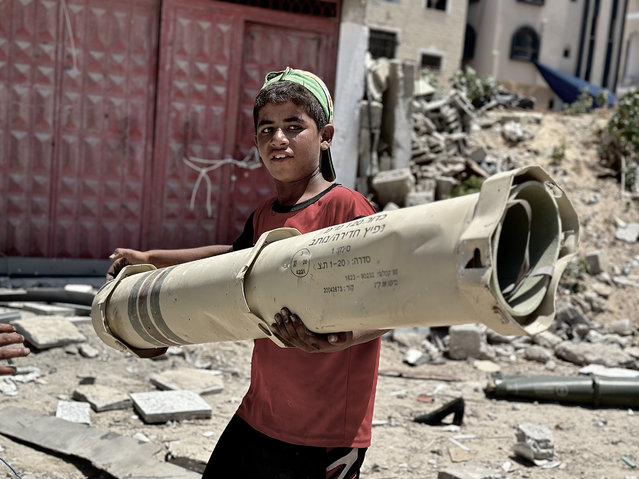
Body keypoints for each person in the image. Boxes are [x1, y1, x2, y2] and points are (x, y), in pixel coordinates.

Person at [108, 67, 387, 478]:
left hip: (325, 429)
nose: (278, 139)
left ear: (325, 136)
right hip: (262, 411)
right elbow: (229, 262)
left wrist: (335, 342)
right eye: (266, 129)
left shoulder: (347, 209)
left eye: (294, 126)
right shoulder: (264, 214)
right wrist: (153, 257)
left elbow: (387, 304)